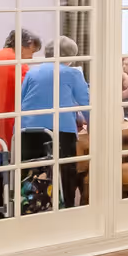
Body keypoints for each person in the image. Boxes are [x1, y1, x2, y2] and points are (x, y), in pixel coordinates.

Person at [19, 37, 90, 208]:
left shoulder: (32, 72)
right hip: (60, 128)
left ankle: (30, 205)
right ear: (71, 56)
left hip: (27, 128)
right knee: (66, 170)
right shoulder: (73, 73)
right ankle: (67, 205)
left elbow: (21, 100)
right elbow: (86, 103)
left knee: (30, 170)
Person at [0, 29, 40, 149]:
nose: (31, 57)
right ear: (23, 47)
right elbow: (30, 93)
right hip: (2, 116)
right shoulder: (18, 63)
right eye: (32, 52)